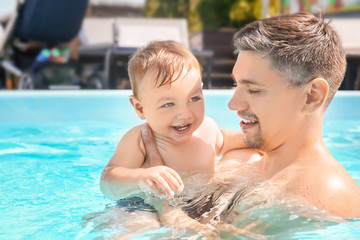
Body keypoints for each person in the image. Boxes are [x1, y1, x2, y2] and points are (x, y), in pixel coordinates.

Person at [141, 12, 360, 218]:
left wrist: (162, 203)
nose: (233, 104)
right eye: (236, 85)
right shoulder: (242, 159)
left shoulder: (321, 196)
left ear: (312, 96)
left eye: (254, 90)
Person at [100, 40, 248, 201]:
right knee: (139, 224)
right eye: (168, 104)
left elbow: (224, 141)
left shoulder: (207, 128)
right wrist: (141, 178)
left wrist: (264, 138)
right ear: (140, 108)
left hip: (198, 202)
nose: (185, 114)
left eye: (194, 98)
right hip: (145, 207)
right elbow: (108, 180)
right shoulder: (140, 139)